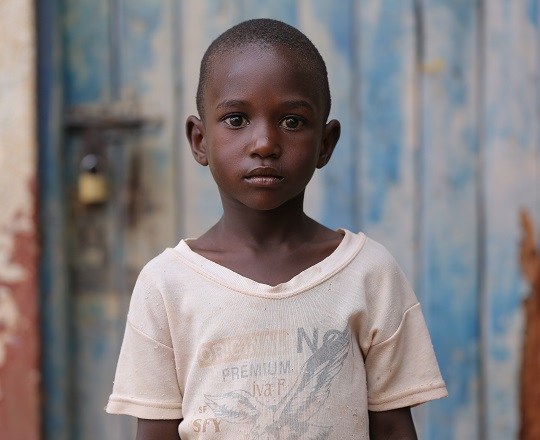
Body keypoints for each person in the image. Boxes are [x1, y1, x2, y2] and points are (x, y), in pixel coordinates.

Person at [106, 18, 447, 439]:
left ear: (326, 143)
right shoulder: (167, 285)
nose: (265, 142)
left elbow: (394, 428)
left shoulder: (369, 274)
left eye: (292, 122)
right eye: (235, 119)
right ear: (199, 140)